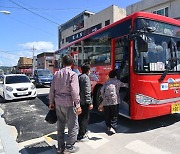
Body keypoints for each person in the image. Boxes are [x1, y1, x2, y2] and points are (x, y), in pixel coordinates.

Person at [49, 55, 82, 154]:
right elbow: (75, 91)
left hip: (58, 103)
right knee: (73, 126)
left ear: (62, 63)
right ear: (72, 63)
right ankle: (69, 147)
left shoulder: (56, 74)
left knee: (60, 125)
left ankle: (60, 147)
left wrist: (51, 102)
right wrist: (78, 105)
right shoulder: (73, 74)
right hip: (69, 104)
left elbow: (52, 90)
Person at [98, 70, 128, 134]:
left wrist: (104, 98)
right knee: (114, 114)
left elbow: (101, 90)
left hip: (106, 101)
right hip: (115, 101)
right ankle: (113, 127)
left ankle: (108, 126)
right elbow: (125, 85)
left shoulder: (106, 82)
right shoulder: (117, 82)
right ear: (115, 76)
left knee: (107, 114)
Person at [77, 63, 93, 141]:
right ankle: (82, 134)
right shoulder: (86, 78)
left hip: (79, 101)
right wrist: (90, 102)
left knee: (80, 118)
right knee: (85, 118)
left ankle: (81, 131)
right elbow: (87, 91)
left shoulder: (79, 76)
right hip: (85, 102)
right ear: (88, 70)